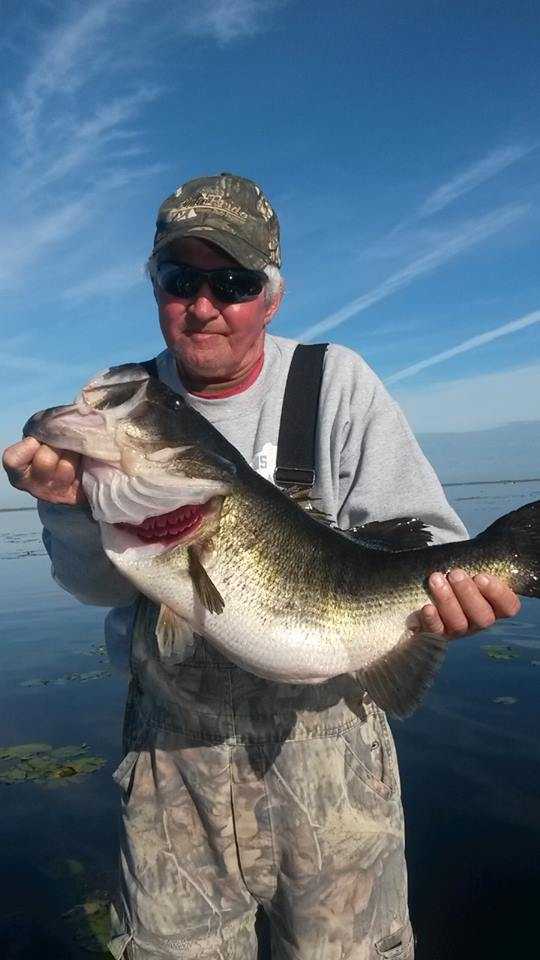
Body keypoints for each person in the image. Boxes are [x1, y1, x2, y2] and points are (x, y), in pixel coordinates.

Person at [3, 173, 520, 960]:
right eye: (181, 280)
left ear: (270, 296)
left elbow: (423, 536)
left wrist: (465, 593)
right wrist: (69, 506)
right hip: (172, 767)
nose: (203, 304)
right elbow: (94, 584)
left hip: (335, 754)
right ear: (156, 287)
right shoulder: (132, 399)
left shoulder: (334, 382)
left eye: (233, 282)